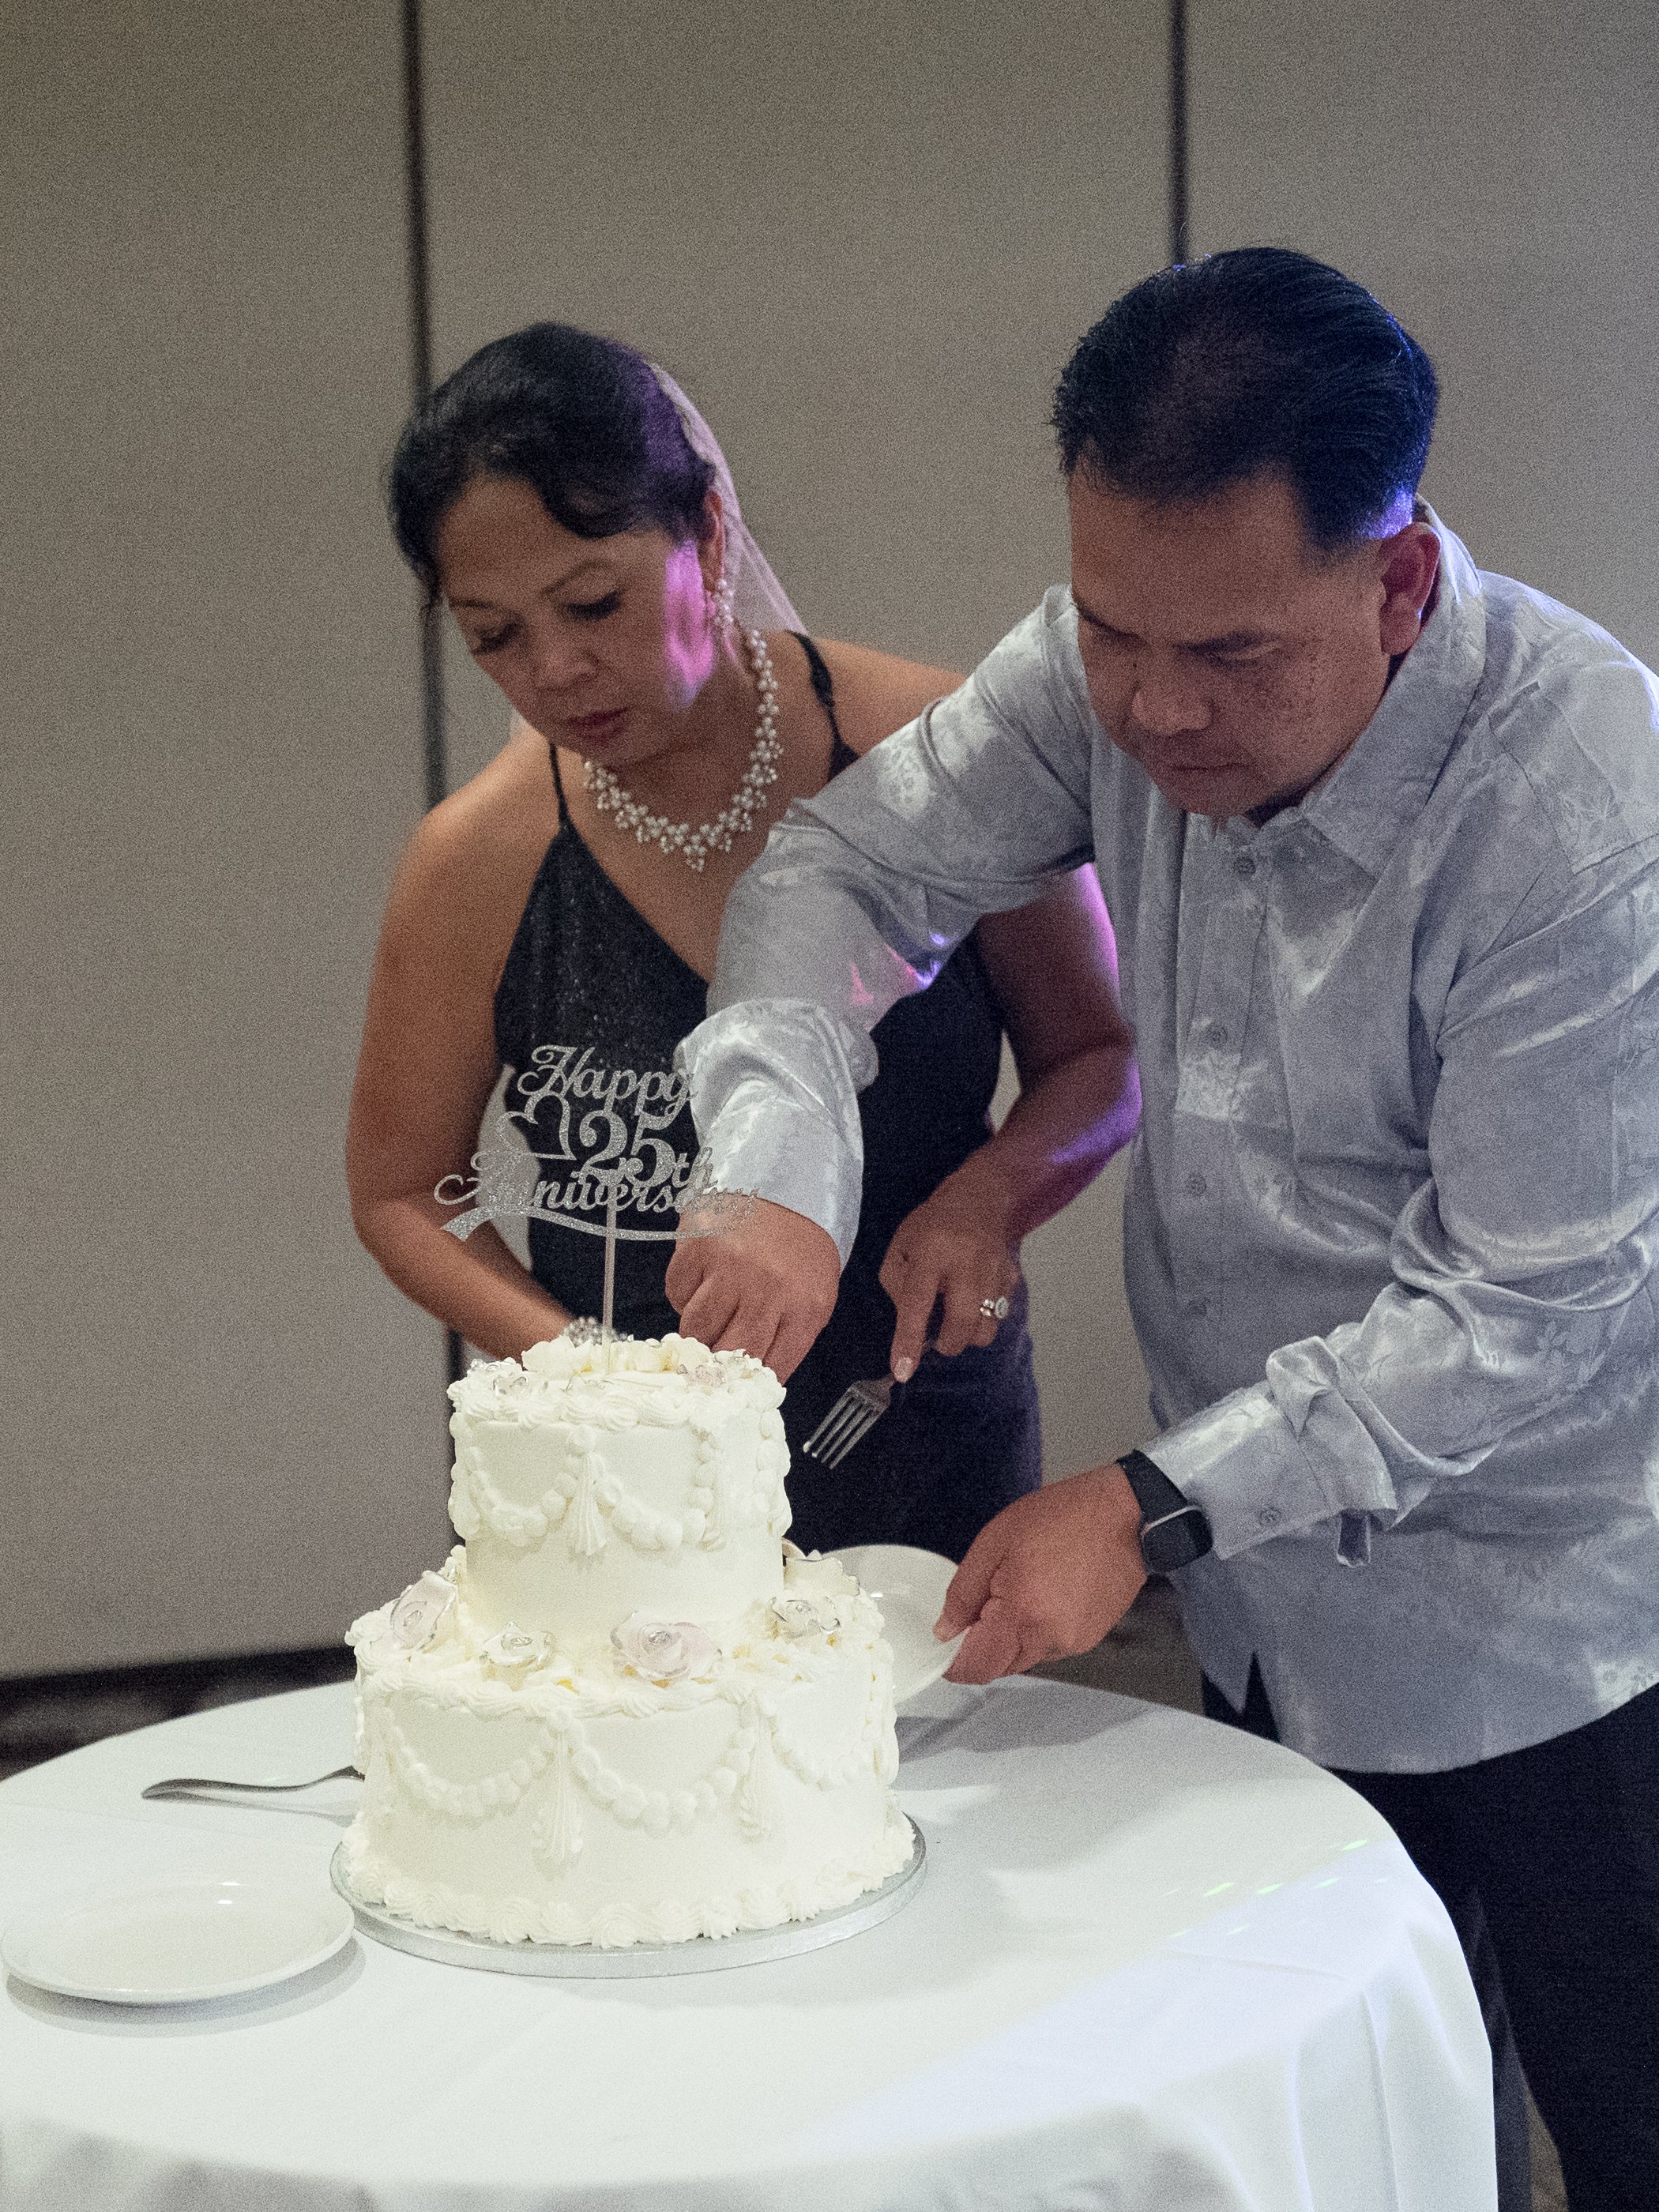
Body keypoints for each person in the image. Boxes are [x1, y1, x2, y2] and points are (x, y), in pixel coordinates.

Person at [669, 250, 1659, 2211]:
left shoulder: (1582, 806)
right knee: (1353, 2124)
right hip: (1268, 1597)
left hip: (1557, 1627)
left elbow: (1526, 1308)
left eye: (1229, 653)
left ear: (1399, 581)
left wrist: (1146, 1501)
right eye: (1110, 630)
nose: (1150, 707)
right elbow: (844, 865)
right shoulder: (1113, 667)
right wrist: (777, 1150)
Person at [346, 321, 1138, 1561]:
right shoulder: (476, 861)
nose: (555, 670)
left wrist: (990, 1203)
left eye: (593, 602)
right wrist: (586, 1370)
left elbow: (1099, 1055)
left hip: (917, 1417)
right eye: (494, 635)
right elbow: (409, 1192)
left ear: (709, 534)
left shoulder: (935, 753)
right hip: (632, 1481)